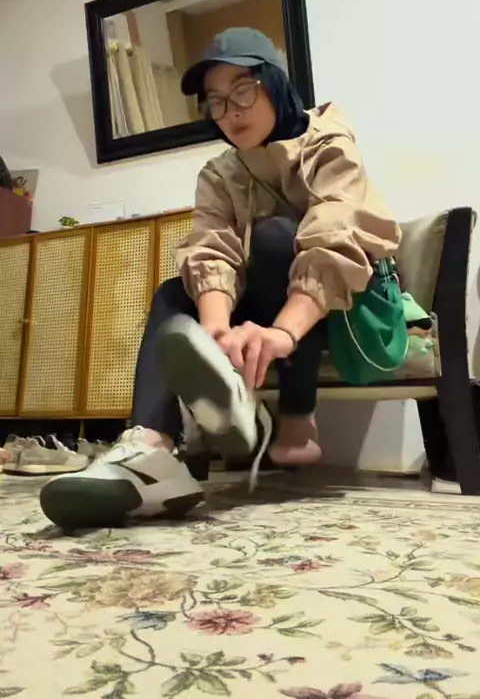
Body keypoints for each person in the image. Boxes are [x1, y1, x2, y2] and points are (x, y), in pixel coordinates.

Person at [40, 28, 401, 530]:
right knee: (173, 293)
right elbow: (211, 248)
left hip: (333, 310)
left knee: (275, 236)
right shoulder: (219, 173)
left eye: (243, 91)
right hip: (264, 311)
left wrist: (282, 332)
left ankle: (296, 415)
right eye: (216, 101)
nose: (231, 112)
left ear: (275, 84)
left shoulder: (328, 145)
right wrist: (213, 333)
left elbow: (335, 239)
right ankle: (151, 449)